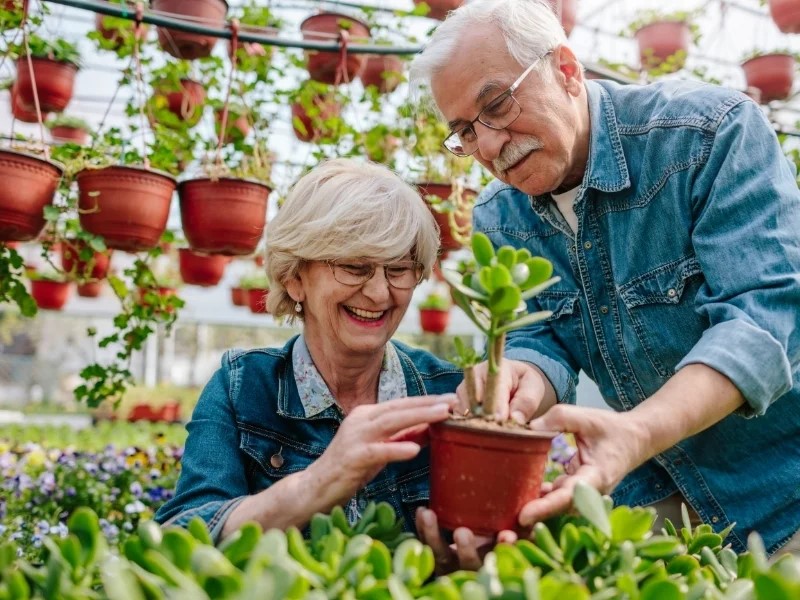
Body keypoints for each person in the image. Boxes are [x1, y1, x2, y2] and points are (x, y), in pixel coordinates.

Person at [409, 0, 800, 555]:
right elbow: (538, 341)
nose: (489, 146)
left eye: (495, 103)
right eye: (465, 132)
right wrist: (519, 376)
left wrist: (636, 432)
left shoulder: (705, 134)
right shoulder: (500, 216)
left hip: (785, 490)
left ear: (566, 69)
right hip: (663, 500)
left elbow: (763, 322)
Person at [156, 159, 464, 543]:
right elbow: (180, 533)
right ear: (295, 278)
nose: (380, 292)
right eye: (355, 267)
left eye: (399, 269)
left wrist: (462, 561)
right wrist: (317, 483)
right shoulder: (242, 388)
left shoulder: (449, 393)